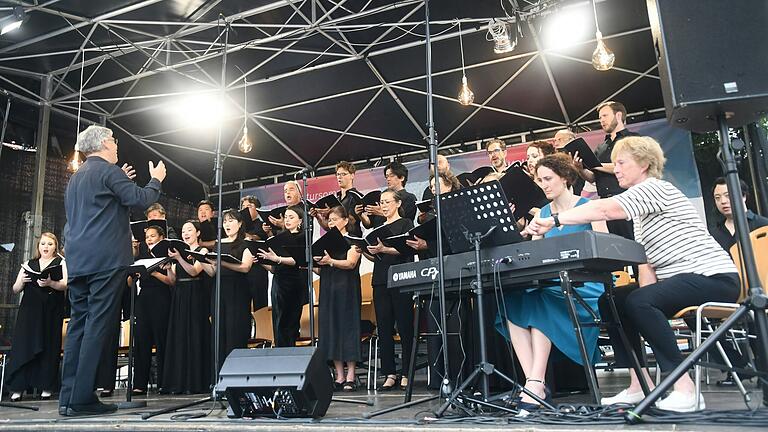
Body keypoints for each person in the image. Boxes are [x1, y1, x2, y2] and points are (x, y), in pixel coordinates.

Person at [526, 136, 739, 412]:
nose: (615, 169)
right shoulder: (639, 214)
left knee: (639, 301)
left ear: (645, 164)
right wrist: (640, 295)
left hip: (713, 278)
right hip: (680, 282)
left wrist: (553, 220)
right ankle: (640, 384)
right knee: (612, 300)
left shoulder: (655, 188)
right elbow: (646, 265)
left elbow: (604, 208)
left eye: (621, 162)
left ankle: (685, 388)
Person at [61, 124, 165, 416]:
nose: (117, 145)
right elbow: (143, 199)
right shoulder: (108, 172)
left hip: (79, 261)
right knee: (97, 327)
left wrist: (122, 180)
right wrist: (155, 179)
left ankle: (68, 397)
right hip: (105, 261)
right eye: (114, 141)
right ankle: (81, 398)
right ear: (104, 144)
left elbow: (99, 209)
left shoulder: (77, 177)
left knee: (78, 328)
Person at [496, 153, 607, 413]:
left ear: (566, 178)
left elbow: (605, 252)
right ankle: (534, 382)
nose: (543, 184)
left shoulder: (589, 206)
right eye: (539, 180)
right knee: (511, 305)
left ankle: (534, 384)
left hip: (587, 284)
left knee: (541, 301)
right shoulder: (542, 213)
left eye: (548, 179)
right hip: (553, 283)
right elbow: (537, 260)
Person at [357, 189, 415, 390]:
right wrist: (368, 251)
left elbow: (407, 248)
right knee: (384, 328)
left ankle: (407, 372)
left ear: (398, 203)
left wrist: (384, 249)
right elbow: (376, 256)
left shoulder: (406, 223)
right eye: (381, 202)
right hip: (380, 279)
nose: (383, 205)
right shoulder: (378, 227)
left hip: (401, 278)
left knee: (405, 326)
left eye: (387, 201)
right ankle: (389, 373)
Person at [6, 233, 68, 402]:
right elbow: (15, 289)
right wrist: (23, 281)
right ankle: (18, 388)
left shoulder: (60, 262)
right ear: (38, 246)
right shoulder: (29, 264)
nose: (46, 247)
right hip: (30, 311)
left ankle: (45, 386)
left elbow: (64, 285)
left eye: (49, 244)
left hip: (50, 310)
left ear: (55, 246)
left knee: (48, 345)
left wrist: (50, 283)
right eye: (43, 244)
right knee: (24, 346)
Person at [314, 206, 362, 392]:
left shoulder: (352, 240)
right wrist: (309, 263)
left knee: (347, 328)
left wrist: (331, 261)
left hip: (347, 289)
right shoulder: (324, 243)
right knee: (331, 329)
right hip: (328, 288)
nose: (331, 223)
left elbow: (350, 263)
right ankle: (339, 375)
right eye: (330, 220)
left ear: (345, 221)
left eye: (334, 219)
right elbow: (320, 269)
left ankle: (351, 374)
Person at [163, 220, 214, 394]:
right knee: (180, 337)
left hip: (195, 294)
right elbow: (172, 280)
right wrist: (169, 268)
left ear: (198, 233)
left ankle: (196, 382)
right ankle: (179, 382)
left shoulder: (202, 250)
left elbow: (194, 271)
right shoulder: (180, 252)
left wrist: (179, 258)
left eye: (189, 230)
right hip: (180, 295)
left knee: (195, 335)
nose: (185, 233)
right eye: (183, 230)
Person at [575, 101, 638, 240]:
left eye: (605, 115)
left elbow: (627, 165)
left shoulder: (633, 139)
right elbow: (593, 177)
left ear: (619, 115)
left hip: (627, 199)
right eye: (600, 117)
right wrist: (580, 169)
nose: (602, 120)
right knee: (619, 246)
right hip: (606, 203)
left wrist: (596, 165)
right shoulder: (601, 147)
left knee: (636, 243)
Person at [208, 209, 254, 370]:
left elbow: (245, 267)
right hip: (219, 288)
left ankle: (236, 372)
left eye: (231, 220)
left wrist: (223, 263)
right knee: (219, 330)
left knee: (235, 329)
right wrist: (204, 261)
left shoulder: (246, 242)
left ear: (240, 223)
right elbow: (213, 271)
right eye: (225, 221)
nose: (227, 224)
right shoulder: (218, 244)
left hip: (237, 289)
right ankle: (218, 373)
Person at [257, 205, 308, 347]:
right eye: (286, 217)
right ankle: (280, 352)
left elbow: (297, 261)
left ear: (300, 220)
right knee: (278, 322)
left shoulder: (303, 237)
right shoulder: (279, 237)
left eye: (291, 217)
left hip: (294, 283)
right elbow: (273, 269)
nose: (287, 220)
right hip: (278, 283)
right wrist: (260, 260)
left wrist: (277, 259)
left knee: (289, 322)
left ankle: (290, 355)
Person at [132, 226, 174, 395]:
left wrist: (154, 273)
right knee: (141, 340)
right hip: (143, 298)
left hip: (161, 297)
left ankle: (164, 381)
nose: (149, 239)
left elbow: (171, 281)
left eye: (153, 236)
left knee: (161, 339)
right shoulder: (141, 255)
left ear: (161, 237)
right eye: (147, 236)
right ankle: (139, 383)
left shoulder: (165, 254)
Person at [709, 177, 768, 252]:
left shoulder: (763, 225)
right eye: (717, 198)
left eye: (728, 195)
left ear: (743, 196)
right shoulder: (713, 235)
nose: (723, 201)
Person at [358, 161, 417, 228]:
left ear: (402, 178)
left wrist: (382, 212)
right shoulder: (381, 196)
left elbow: (405, 220)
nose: (388, 179)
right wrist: (360, 215)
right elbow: (368, 224)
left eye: (391, 176)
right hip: (379, 234)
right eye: (386, 176)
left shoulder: (410, 198)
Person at [312, 161, 363, 236]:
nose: (339, 177)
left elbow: (352, 221)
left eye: (343, 174)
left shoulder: (357, 197)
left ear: (352, 176)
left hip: (352, 239)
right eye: (338, 174)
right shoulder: (336, 198)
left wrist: (334, 214)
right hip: (337, 239)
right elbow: (328, 227)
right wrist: (318, 216)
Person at [240, 196, 270, 312]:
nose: (245, 209)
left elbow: (256, 238)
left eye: (249, 206)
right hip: (242, 269)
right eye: (243, 207)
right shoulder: (238, 225)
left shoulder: (262, 224)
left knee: (260, 305)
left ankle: (263, 329)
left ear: (257, 209)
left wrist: (242, 233)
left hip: (258, 269)